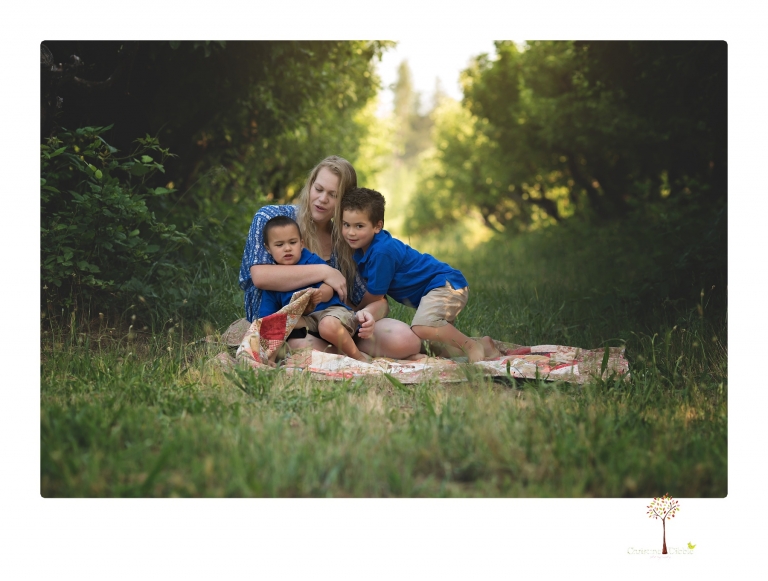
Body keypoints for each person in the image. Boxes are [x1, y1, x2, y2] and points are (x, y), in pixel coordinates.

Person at [239, 155, 422, 359]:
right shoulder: (272, 219)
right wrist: (325, 271)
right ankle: (355, 355)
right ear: (310, 186)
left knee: (405, 340)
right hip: (286, 328)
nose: (323, 199)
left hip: (333, 322)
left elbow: (379, 301)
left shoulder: (347, 240)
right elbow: (260, 277)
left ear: (344, 202)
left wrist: (368, 315)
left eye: (333, 195)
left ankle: (347, 348)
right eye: (318, 189)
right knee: (301, 342)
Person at [340, 187, 501, 363]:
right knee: (435, 346)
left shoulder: (381, 251)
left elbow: (375, 295)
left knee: (422, 326)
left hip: (445, 285)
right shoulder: (364, 249)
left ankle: (471, 346)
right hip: (437, 289)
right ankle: (485, 346)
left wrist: (351, 306)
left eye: (359, 226)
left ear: (378, 226)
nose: (351, 232)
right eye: (346, 225)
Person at [258, 215, 372, 363]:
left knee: (327, 326)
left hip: (332, 312)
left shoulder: (310, 261)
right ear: (268, 248)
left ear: (301, 243)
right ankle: (270, 361)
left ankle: (359, 357)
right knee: (282, 328)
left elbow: (330, 286)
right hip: (307, 320)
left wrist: (320, 294)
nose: (287, 248)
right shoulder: (274, 279)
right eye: (279, 245)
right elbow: (269, 321)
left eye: (292, 242)